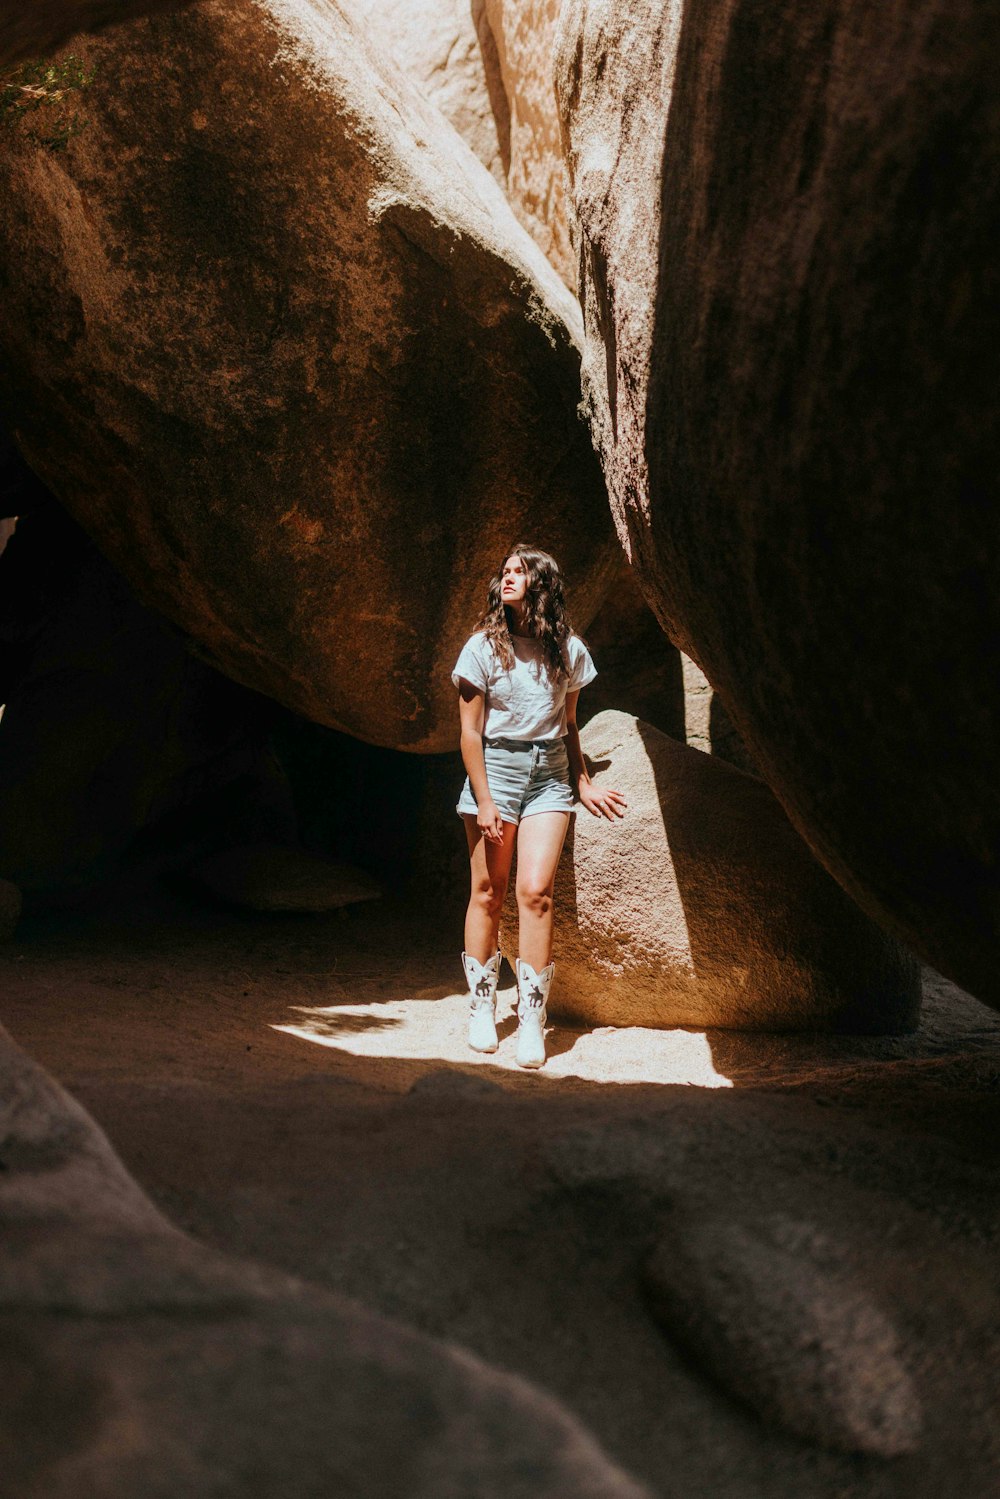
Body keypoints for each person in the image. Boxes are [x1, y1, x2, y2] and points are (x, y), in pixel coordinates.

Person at [452, 545, 627, 1069]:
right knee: (488, 890)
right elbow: (469, 732)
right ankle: (482, 1006)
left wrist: (582, 780)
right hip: (496, 772)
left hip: (549, 776)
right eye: (503, 571)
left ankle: (532, 1018)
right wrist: (484, 799)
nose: (507, 578)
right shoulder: (482, 648)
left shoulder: (568, 650)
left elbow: (568, 723)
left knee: (536, 891)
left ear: (542, 584)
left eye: (518, 572)